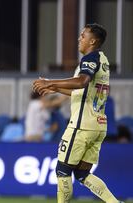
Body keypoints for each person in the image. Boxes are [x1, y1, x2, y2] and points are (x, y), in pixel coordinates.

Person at [33, 23, 123, 203]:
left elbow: (81, 81)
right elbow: (82, 92)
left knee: (62, 170)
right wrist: (57, 88)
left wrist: (50, 82)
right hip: (97, 125)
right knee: (82, 174)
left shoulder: (90, 58)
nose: (79, 39)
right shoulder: (103, 61)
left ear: (93, 41)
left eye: (83, 36)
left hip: (81, 126)